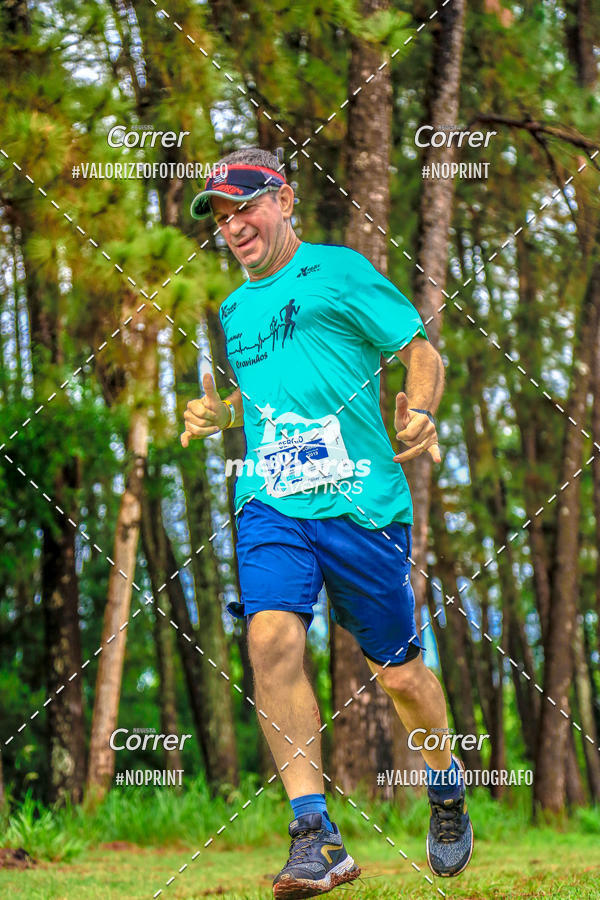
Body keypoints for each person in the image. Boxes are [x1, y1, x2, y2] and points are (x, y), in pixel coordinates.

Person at [182, 148, 473, 898]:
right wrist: (223, 413)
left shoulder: (339, 273)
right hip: (272, 499)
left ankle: (444, 784)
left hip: (361, 503)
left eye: (243, 207)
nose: (233, 226)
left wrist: (421, 404)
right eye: (220, 217)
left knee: (400, 676)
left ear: (281, 199)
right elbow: (271, 392)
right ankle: (314, 836)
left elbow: (418, 350)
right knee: (271, 635)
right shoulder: (235, 310)